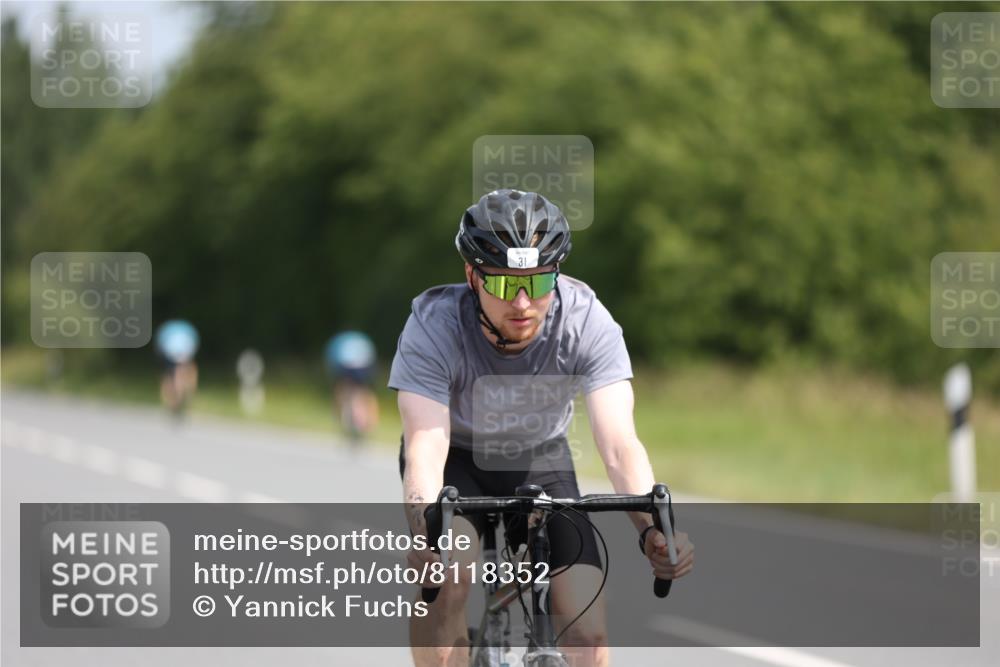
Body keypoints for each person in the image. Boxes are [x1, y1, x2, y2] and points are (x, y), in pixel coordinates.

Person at [390, 189, 695, 667]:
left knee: (588, 631)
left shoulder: (586, 319)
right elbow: (427, 446)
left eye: (539, 281)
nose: (524, 302)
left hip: (540, 456)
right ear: (472, 277)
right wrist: (426, 538)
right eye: (506, 285)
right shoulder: (433, 326)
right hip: (456, 459)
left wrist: (652, 531)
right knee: (449, 580)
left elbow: (618, 445)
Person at [325, 330, 379, 445]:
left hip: (345, 366)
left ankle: (344, 420)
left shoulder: (343, 340)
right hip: (364, 367)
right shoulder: (360, 341)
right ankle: (368, 423)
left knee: (343, 391)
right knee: (364, 393)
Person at [154, 319, 200, 419]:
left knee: (168, 378)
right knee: (182, 376)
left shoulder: (169, 329)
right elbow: (194, 342)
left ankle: (171, 402)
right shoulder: (186, 329)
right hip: (183, 354)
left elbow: (160, 343)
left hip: (169, 354)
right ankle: (181, 399)